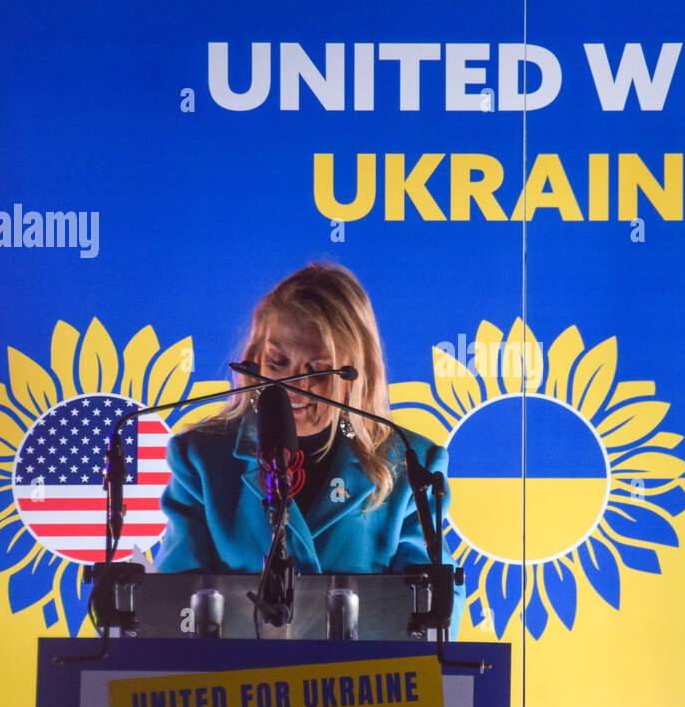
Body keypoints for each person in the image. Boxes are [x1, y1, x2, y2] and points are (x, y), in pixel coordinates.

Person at [154, 262, 462, 639]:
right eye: (277, 362)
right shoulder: (200, 458)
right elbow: (172, 608)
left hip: (365, 691)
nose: (288, 386)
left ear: (357, 372)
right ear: (254, 358)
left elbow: (431, 617)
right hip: (234, 689)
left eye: (316, 371)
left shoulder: (411, 464)